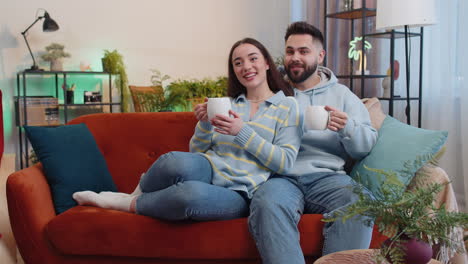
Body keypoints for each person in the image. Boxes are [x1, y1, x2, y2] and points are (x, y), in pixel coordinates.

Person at [72, 37, 303, 222]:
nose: (246, 67)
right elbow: (197, 151)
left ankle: (123, 203)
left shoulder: (287, 106)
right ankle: (132, 194)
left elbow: (284, 162)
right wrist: (203, 124)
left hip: (241, 192)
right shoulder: (229, 104)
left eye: (253, 58)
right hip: (209, 169)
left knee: (189, 195)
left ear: (266, 63)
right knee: (175, 161)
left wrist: (242, 131)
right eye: (238, 62)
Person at [248, 21, 378, 263]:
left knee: (361, 202)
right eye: (290, 51)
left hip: (327, 178)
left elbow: (365, 146)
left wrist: (346, 127)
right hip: (279, 175)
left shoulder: (342, 95)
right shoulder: (270, 90)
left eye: (303, 51)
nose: (295, 57)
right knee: (266, 202)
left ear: (320, 55)